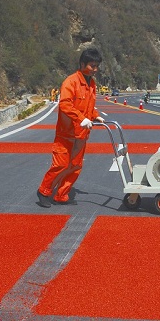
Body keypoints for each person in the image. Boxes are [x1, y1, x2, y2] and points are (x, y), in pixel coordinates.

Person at [37, 48, 105, 207]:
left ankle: (61, 195)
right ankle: (44, 191)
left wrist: (95, 115)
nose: (95, 69)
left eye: (97, 66)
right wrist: (81, 119)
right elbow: (65, 104)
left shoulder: (92, 84)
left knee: (75, 166)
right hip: (66, 133)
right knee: (60, 164)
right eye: (92, 66)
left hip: (81, 134)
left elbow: (88, 106)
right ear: (82, 64)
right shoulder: (71, 82)